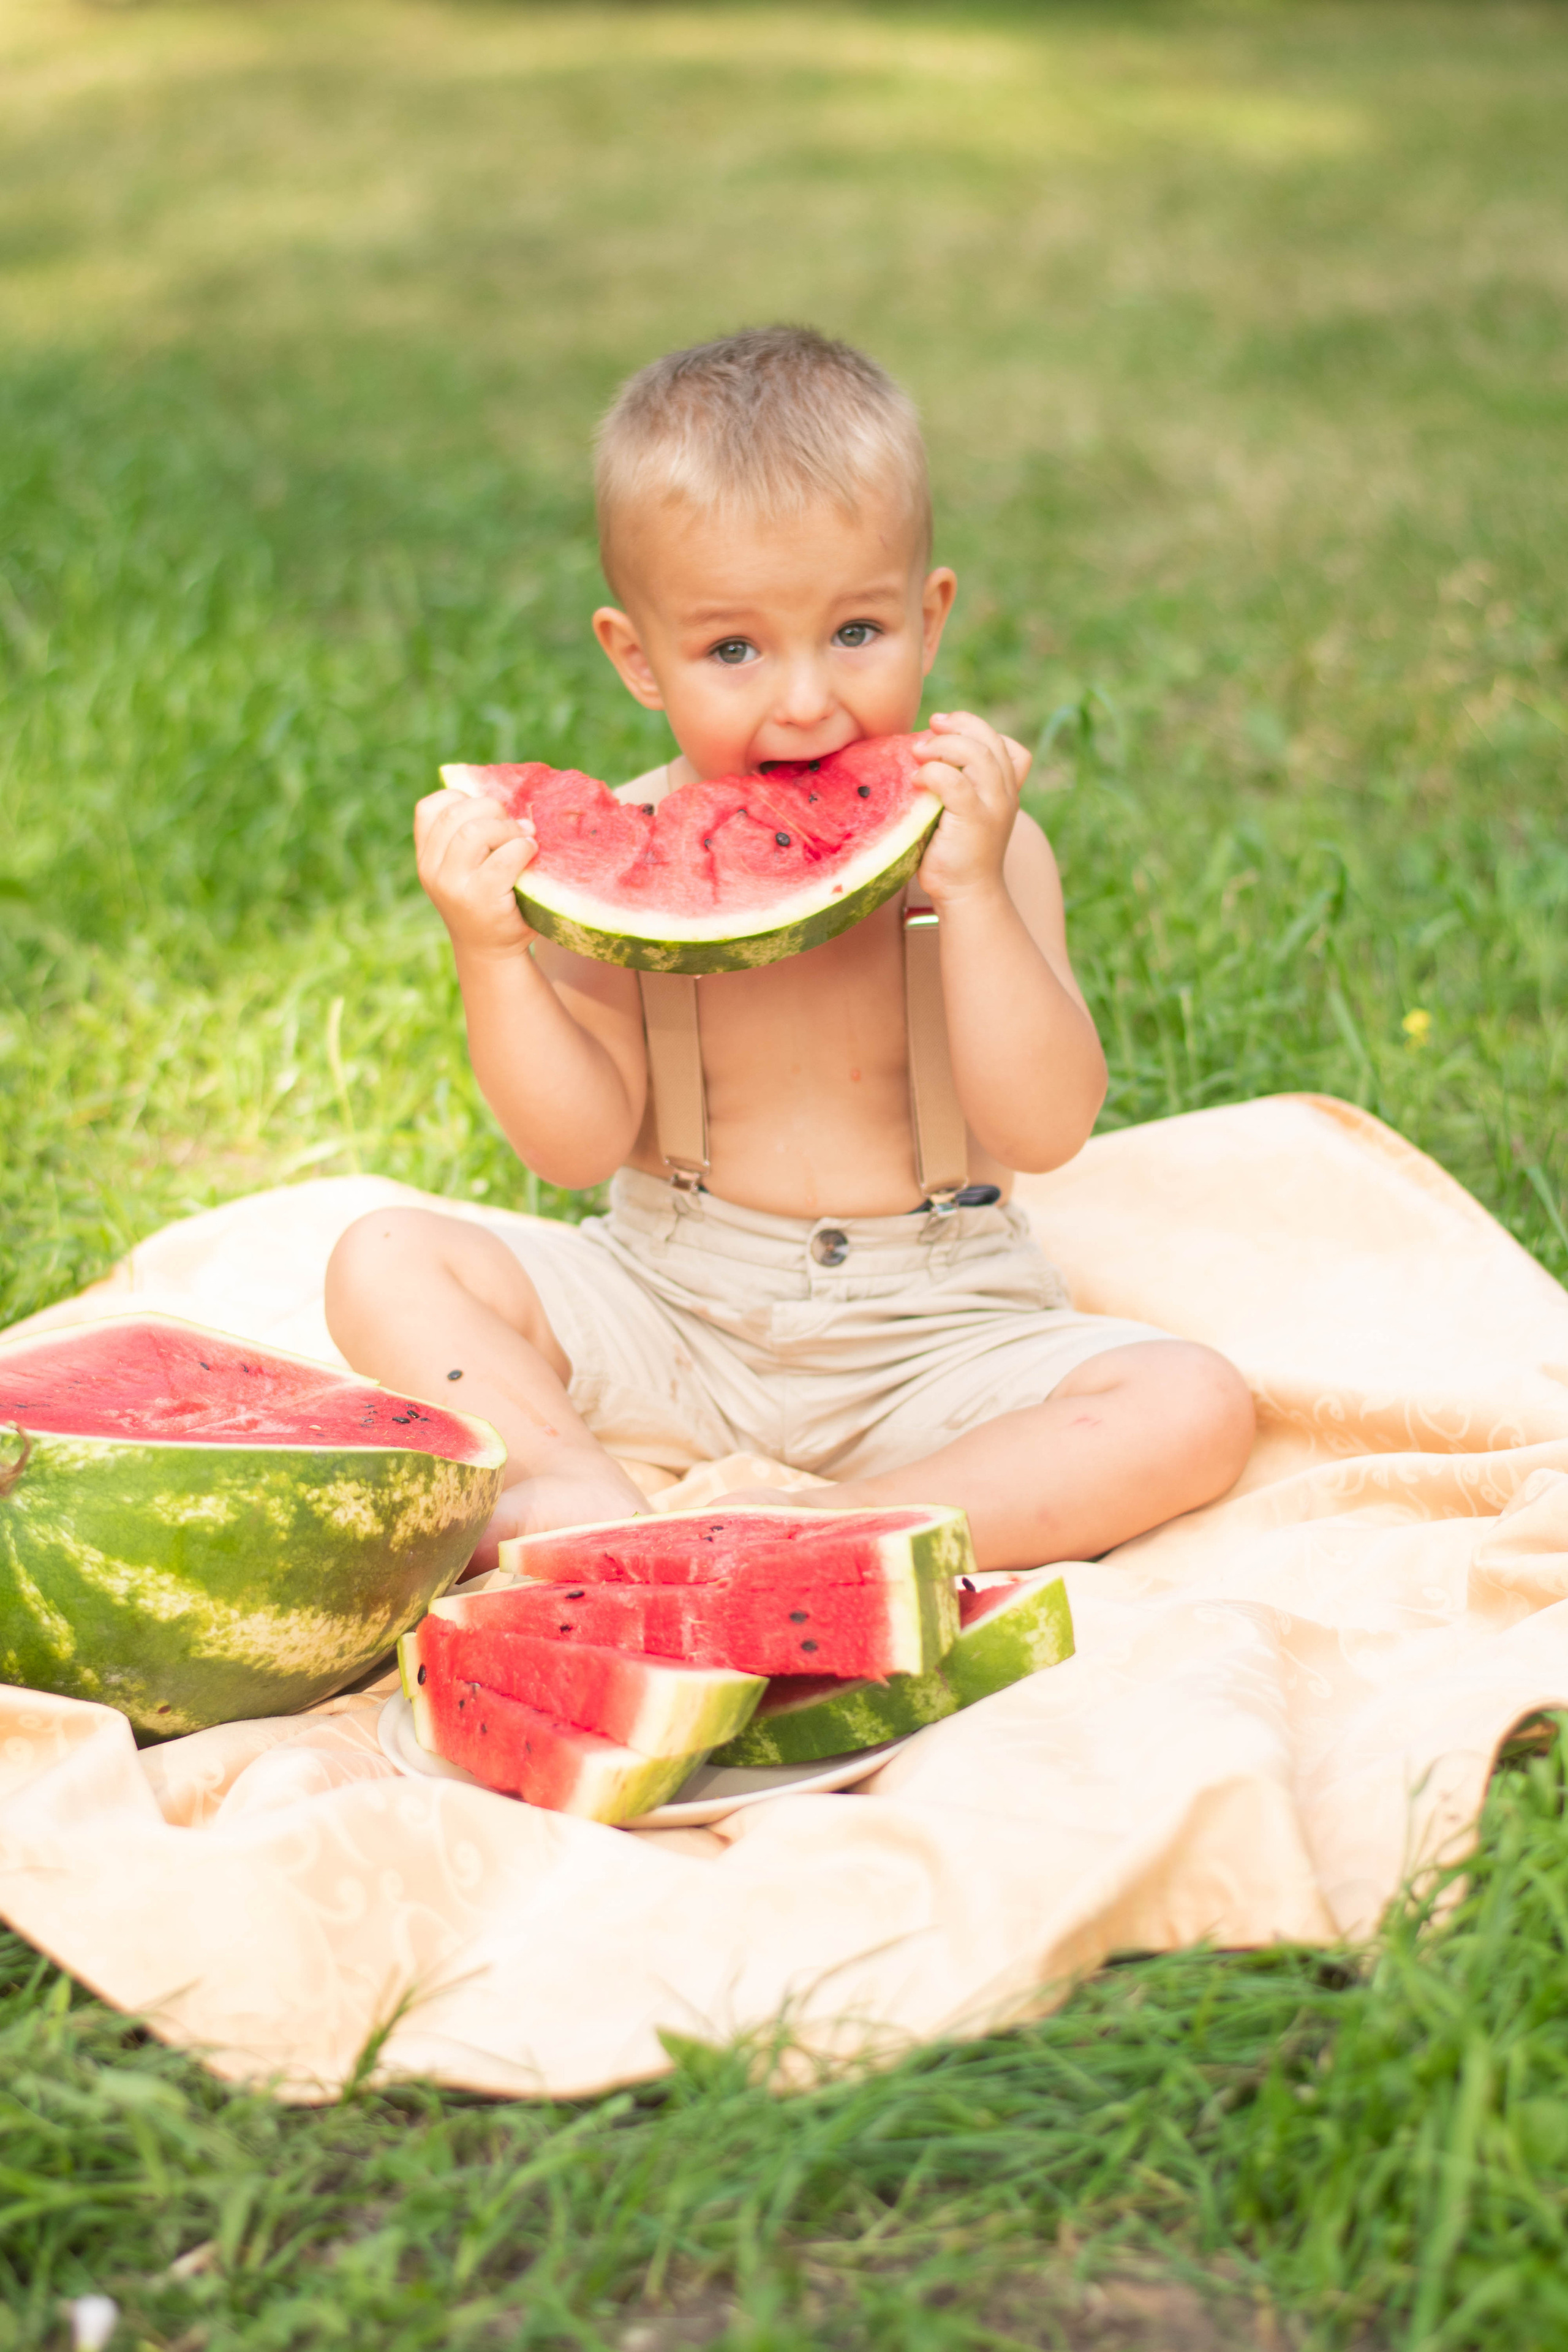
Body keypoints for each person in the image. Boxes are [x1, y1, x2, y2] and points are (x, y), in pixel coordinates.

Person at [325, 326, 1254, 1570]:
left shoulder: (986, 846)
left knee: (1190, 1402)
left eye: (855, 633)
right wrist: (492, 956)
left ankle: (837, 1535)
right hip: (669, 1302)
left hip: (943, 1326)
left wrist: (970, 893)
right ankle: (562, 1484)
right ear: (634, 659)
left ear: (929, 618)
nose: (807, 701)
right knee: (383, 1255)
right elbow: (574, 1144)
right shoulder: (626, 864)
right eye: (732, 650)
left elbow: (1046, 1127)